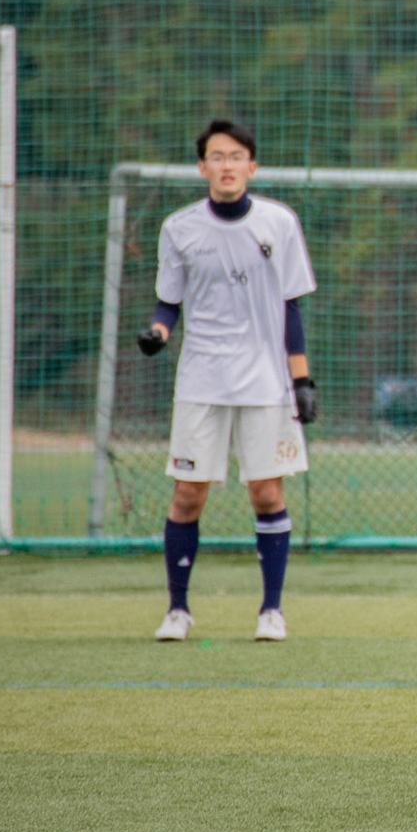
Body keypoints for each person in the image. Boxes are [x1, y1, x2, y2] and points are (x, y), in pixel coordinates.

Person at [138, 120, 318, 643]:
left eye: (236, 156)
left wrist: (302, 380)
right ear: (203, 168)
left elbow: (291, 307)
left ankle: (271, 612)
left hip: (266, 382)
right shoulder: (180, 228)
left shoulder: (279, 223)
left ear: (251, 167)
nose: (227, 165)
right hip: (202, 380)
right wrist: (157, 334)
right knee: (188, 496)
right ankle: (178, 611)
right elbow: (168, 303)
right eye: (216, 157)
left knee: (266, 493)